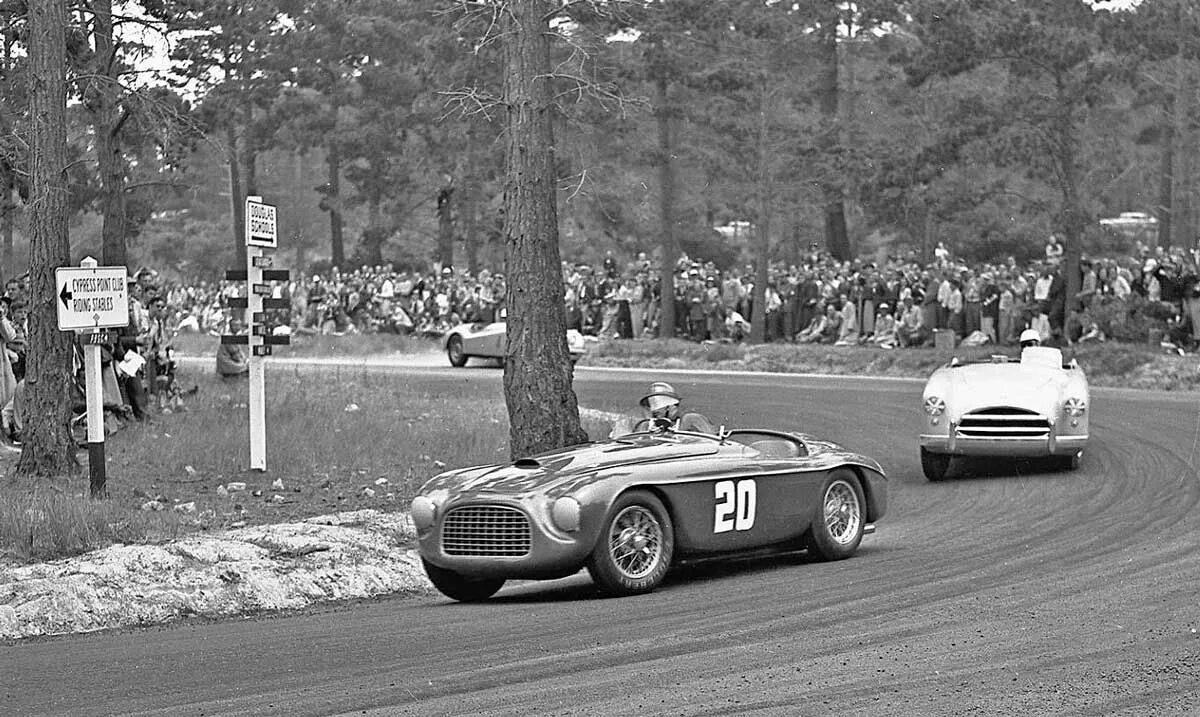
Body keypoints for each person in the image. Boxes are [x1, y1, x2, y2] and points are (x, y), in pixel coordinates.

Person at [628, 381, 716, 434]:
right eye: (652, 404)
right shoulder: (645, 425)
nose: (655, 410)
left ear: (672, 406)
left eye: (659, 403)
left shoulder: (690, 420)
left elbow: (713, 442)